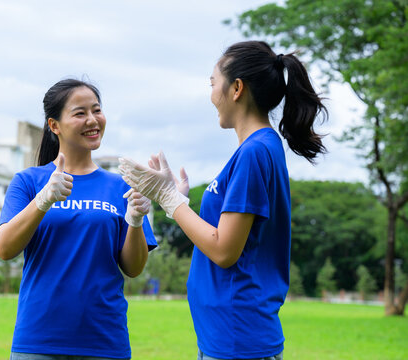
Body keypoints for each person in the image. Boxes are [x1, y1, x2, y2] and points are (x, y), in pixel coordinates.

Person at [118, 40, 328, 360]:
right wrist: (180, 201)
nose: (211, 94)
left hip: (238, 340)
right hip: (227, 337)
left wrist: (169, 198)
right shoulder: (256, 149)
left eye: (213, 82)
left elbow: (224, 250)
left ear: (237, 88)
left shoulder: (255, 151)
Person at [0, 79, 157, 360]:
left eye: (97, 110)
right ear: (54, 125)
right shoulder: (28, 182)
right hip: (39, 341)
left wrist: (135, 221)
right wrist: (42, 201)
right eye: (80, 113)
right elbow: (5, 249)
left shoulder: (120, 187)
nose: (92, 120)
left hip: (104, 341)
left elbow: (134, 268)